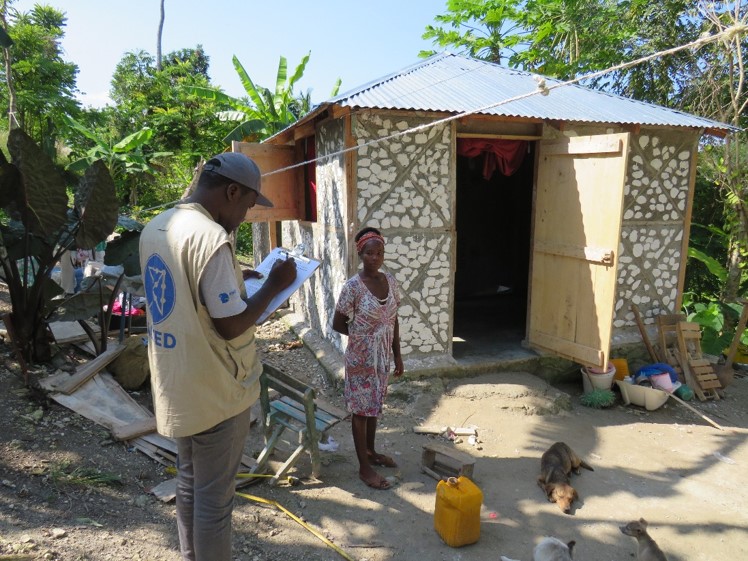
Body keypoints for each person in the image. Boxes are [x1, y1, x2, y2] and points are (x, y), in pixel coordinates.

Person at [139, 152, 297, 561]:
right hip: (216, 389)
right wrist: (274, 285)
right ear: (231, 191)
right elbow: (230, 325)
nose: (245, 215)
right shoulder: (210, 236)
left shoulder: (158, 226)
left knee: (190, 482)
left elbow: (186, 289)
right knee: (215, 504)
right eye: (246, 204)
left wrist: (234, 279)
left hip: (178, 381)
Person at [332, 226, 404, 490]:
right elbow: (337, 323)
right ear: (361, 254)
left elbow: (393, 320)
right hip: (361, 359)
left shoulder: (390, 281)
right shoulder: (352, 287)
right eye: (370, 253)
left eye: (380, 253)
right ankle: (364, 468)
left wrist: (398, 355)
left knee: (373, 406)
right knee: (360, 412)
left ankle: (371, 453)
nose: (375, 258)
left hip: (382, 357)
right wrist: (364, 335)